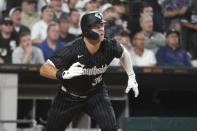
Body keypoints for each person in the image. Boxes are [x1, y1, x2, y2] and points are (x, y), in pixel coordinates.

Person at [40, 11, 139, 131]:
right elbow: (44, 68)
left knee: (110, 128)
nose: (101, 29)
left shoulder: (109, 45)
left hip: (95, 93)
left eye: (102, 26)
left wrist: (131, 76)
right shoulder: (73, 48)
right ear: (86, 30)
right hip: (68, 95)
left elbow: (124, 53)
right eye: (96, 27)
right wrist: (63, 74)